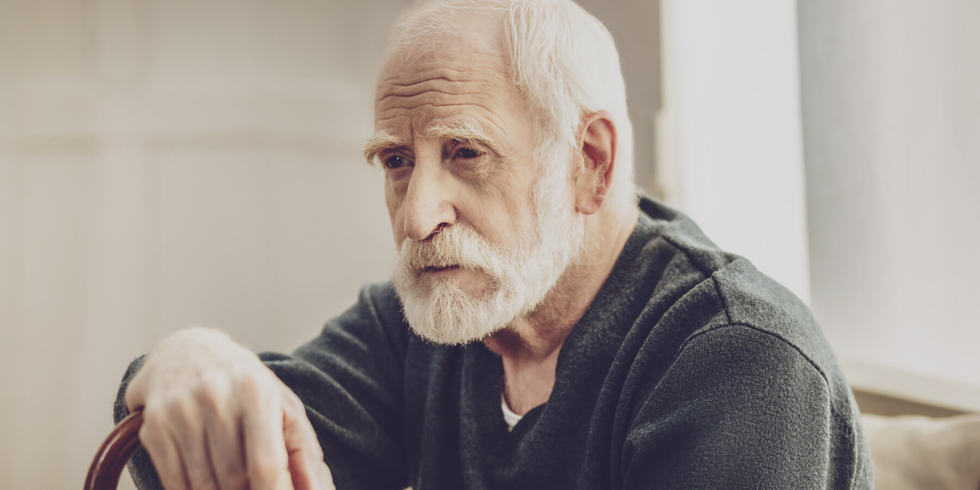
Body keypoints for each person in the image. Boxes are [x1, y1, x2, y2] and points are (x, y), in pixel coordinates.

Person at [114, 0, 874, 488]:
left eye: (467, 153)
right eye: (397, 161)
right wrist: (182, 366)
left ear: (589, 162)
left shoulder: (739, 358)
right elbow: (210, 450)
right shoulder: (425, 322)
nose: (417, 219)